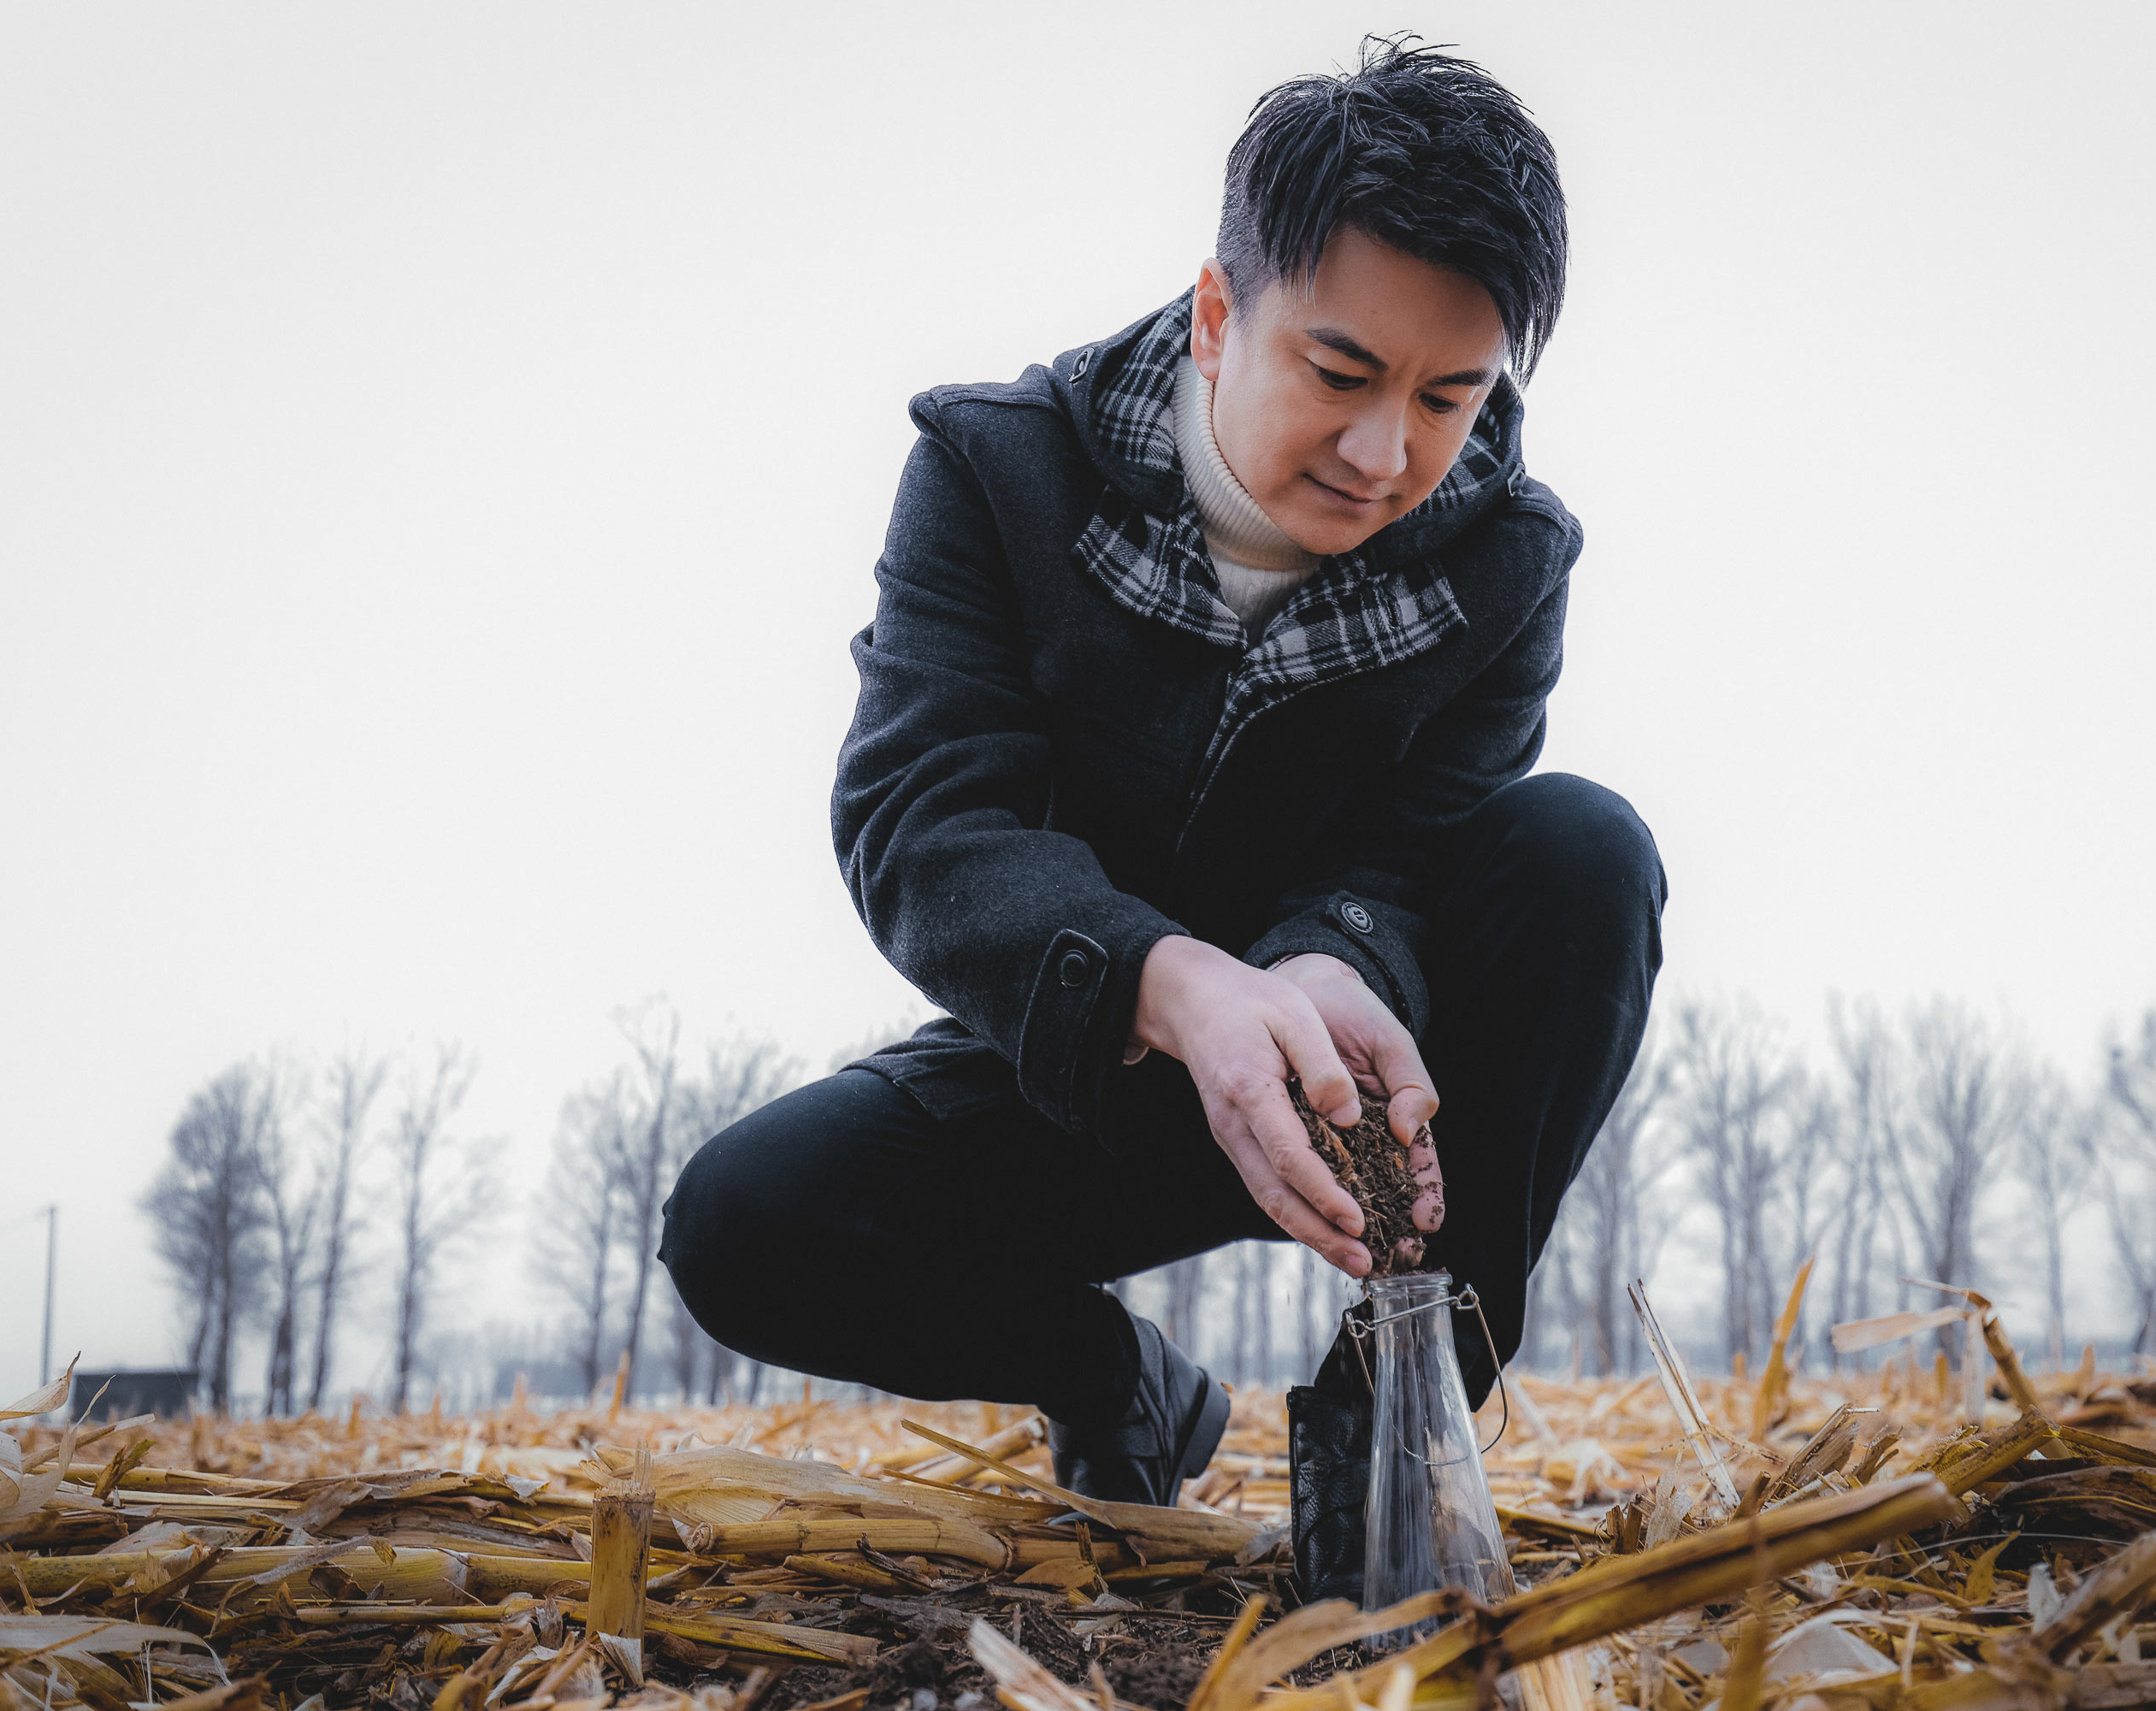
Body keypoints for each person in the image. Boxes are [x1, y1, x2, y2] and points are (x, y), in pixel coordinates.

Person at [660, 36, 1663, 1602]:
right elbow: (926, 817)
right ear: (1218, 314)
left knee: (1586, 854)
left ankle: (1387, 1432)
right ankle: (1115, 1379)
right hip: (1088, 1058)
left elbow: (1425, 831)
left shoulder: (1509, 561)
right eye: (1339, 374)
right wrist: (1174, 983)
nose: (1386, 452)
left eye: (1449, 395)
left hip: (1364, 1075)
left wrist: (1341, 958)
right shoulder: (999, 474)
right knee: (743, 1221)